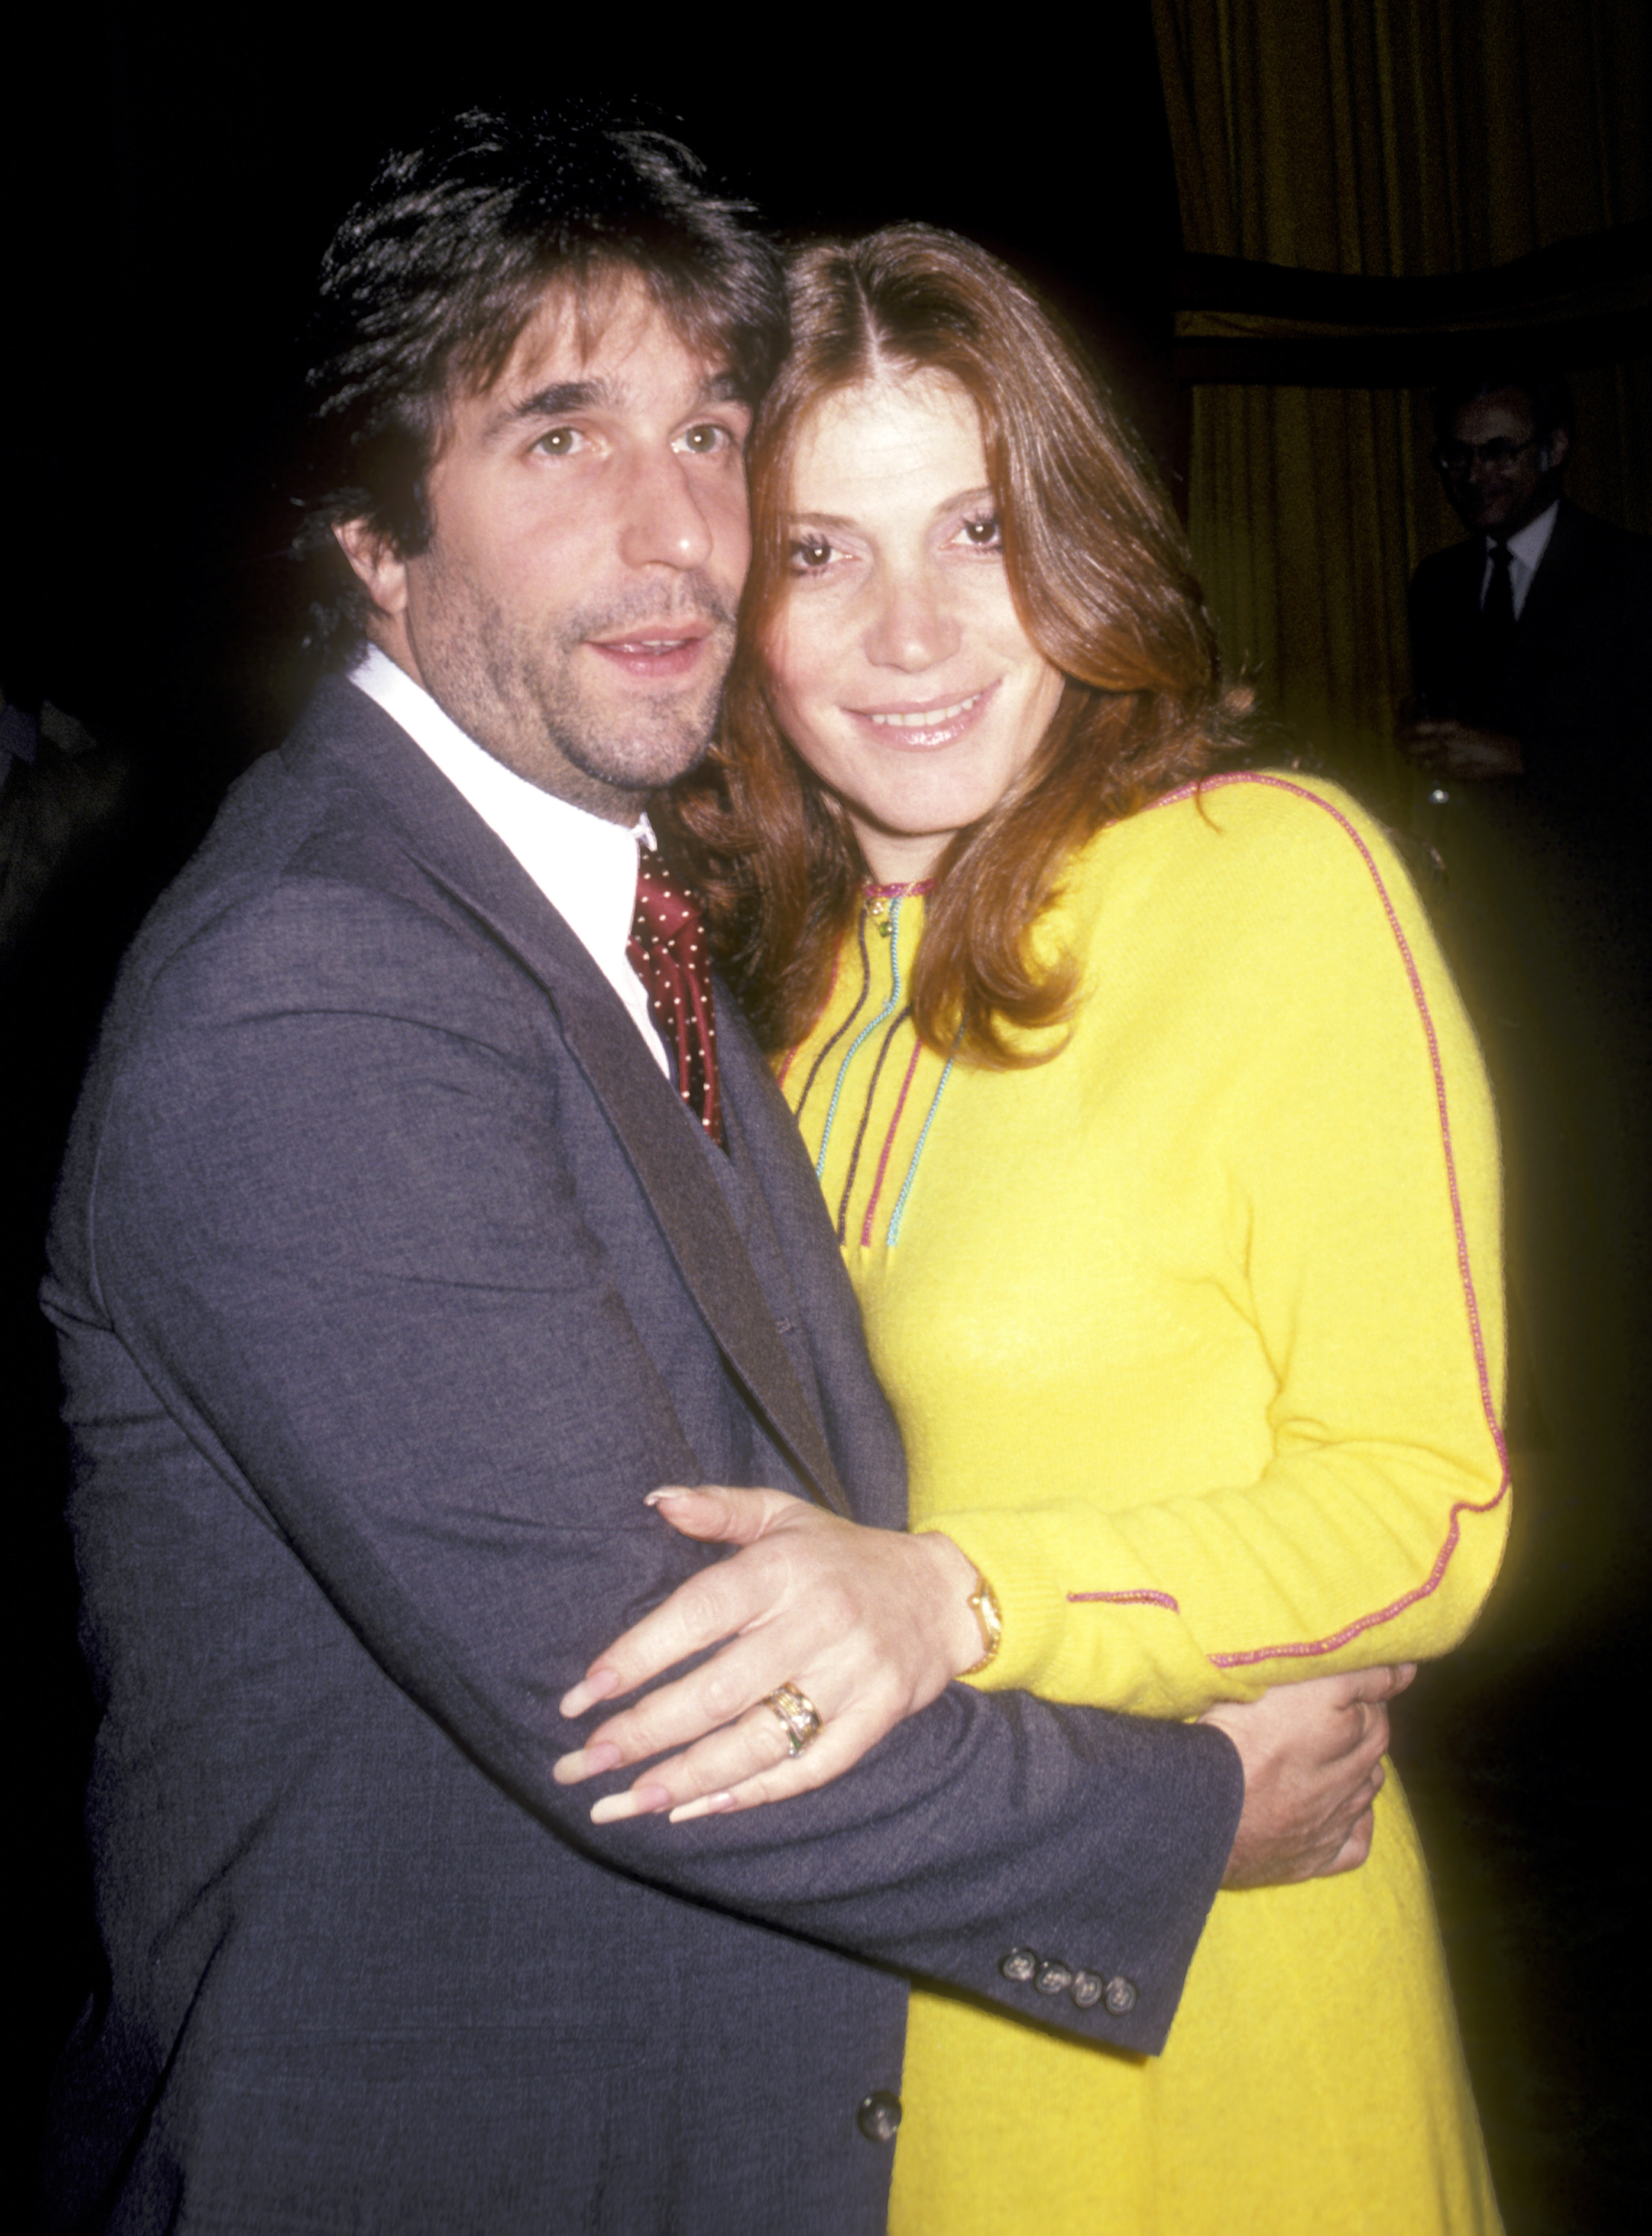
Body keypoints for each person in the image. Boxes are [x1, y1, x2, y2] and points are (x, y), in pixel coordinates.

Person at [37, 118, 1397, 2235]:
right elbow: (648, 1706)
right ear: (373, 544)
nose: (677, 533)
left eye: (706, 431)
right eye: (559, 436)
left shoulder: (642, 913)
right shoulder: (318, 986)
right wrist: (1201, 1806)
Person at [557, 228, 1510, 2233]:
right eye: (820, 553)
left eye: (976, 527)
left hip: (1219, 1976)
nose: (910, 632)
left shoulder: (1272, 887)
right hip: (884, 1991)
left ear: (1079, 549)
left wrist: (954, 1602)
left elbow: (1428, 1507)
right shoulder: (768, 988)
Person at [1403, 367, 1651, 802]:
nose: (1474, 476)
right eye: (1457, 455)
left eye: (1499, 452)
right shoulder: (1437, 582)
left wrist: (1522, 758)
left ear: (1554, 447)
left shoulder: (1631, 574)